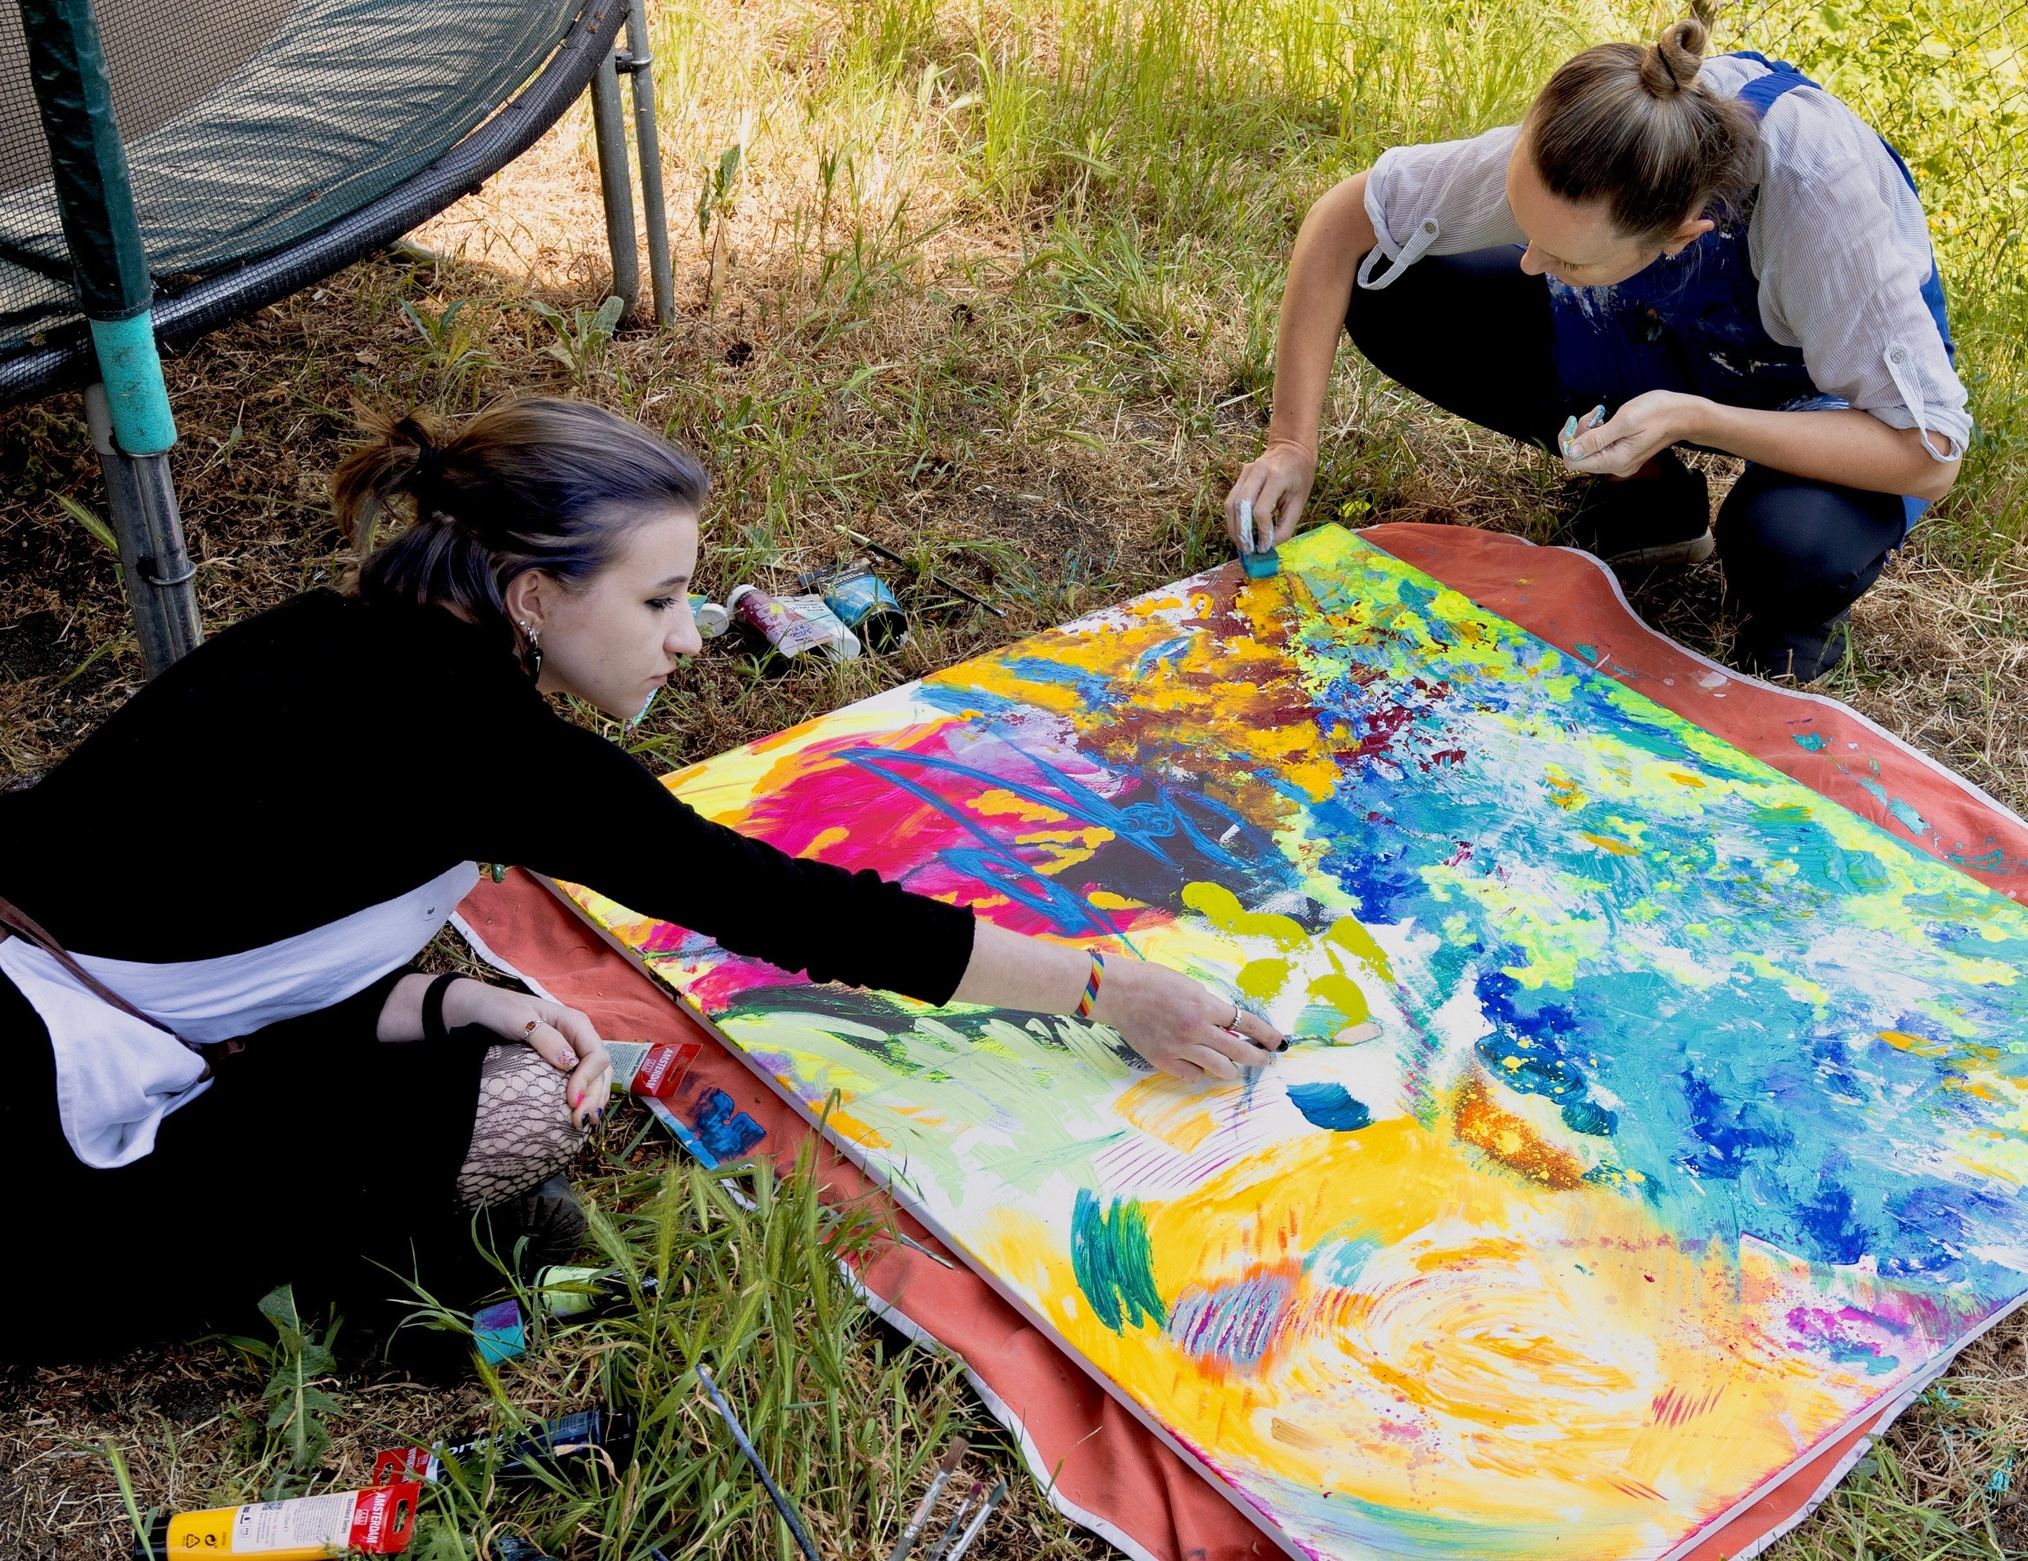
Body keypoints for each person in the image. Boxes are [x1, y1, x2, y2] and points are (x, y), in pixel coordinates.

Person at [0, 397, 1280, 1363]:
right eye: (661, 597)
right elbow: (792, 911)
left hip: (73, 1002)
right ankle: (359, 1299)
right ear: (534, 597)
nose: (690, 633)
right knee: (536, 1101)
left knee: (500, 1050)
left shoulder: (338, 640)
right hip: (39, 1149)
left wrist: (450, 1000)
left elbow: (202, 933)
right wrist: (1106, 989)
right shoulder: (485, 747)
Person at [1224, 19, 1969, 681]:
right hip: (1661, 327)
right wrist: (1292, 442)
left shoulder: (1820, 204)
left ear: (1684, 232)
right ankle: (1651, 504)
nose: (1528, 263)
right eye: (1527, 230)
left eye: (1565, 259)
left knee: (1790, 551)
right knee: (1393, 289)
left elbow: (1928, 452)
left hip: (1830, 397)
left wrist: (1698, 419)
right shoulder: (1609, 135)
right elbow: (1345, 218)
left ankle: (1793, 617)